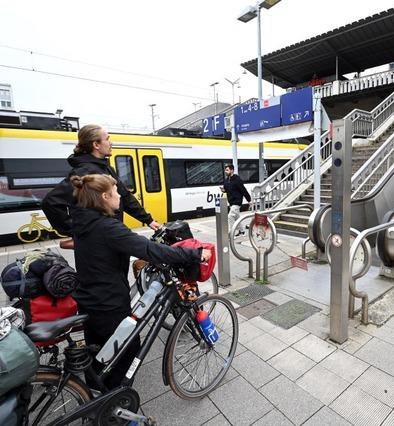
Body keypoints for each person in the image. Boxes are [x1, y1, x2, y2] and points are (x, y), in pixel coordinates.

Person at [69, 174, 211, 388]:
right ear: (105, 196)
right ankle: (115, 408)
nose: (120, 196)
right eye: (117, 192)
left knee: (100, 354)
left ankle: (94, 397)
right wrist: (194, 254)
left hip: (88, 299)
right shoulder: (108, 227)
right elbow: (148, 249)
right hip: (109, 303)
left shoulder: (82, 221)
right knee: (127, 350)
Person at [42, 124, 160, 236]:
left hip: (112, 234)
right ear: (96, 145)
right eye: (107, 139)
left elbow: (125, 196)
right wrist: (75, 230)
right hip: (98, 246)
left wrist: (148, 220)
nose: (111, 143)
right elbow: (51, 202)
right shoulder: (84, 172)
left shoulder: (106, 168)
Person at [221, 164, 251, 236]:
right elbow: (226, 190)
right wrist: (224, 190)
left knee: (230, 216)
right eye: (225, 170)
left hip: (237, 201)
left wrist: (249, 200)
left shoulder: (237, 179)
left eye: (227, 170)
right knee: (237, 217)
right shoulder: (226, 180)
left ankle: (232, 233)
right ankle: (242, 231)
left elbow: (243, 190)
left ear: (232, 170)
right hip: (231, 202)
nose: (226, 171)